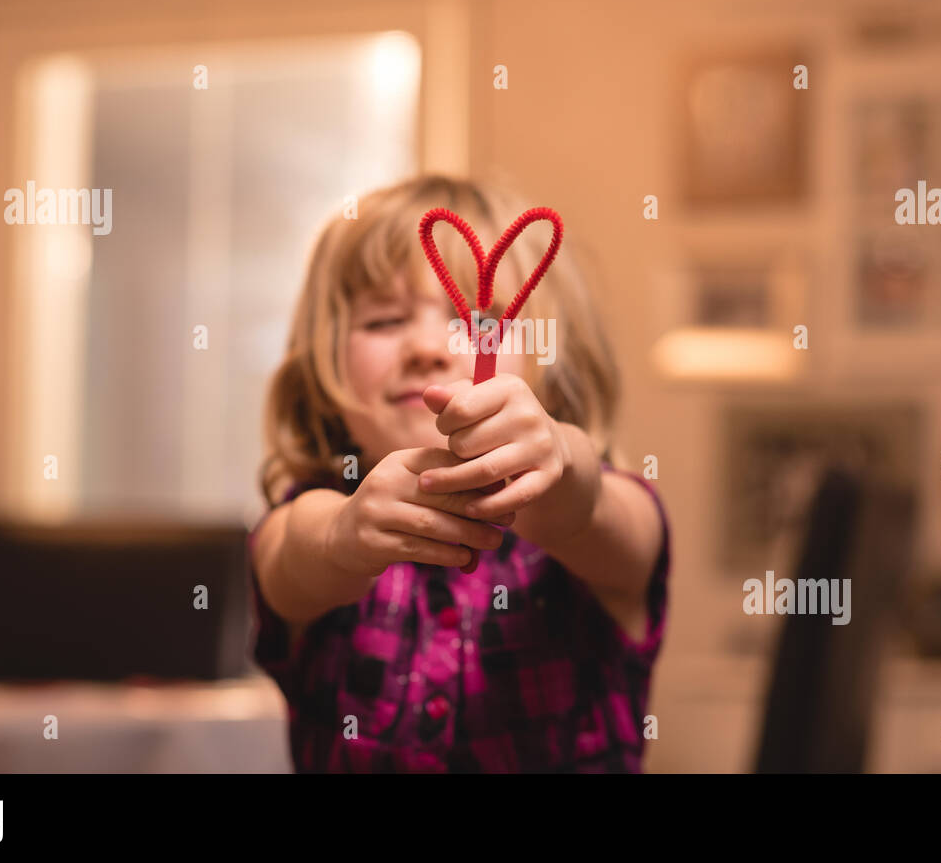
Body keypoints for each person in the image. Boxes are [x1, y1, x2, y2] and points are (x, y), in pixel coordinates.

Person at [248, 173, 670, 772]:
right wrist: (346, 536)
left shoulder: (599, 513)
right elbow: (290, 556)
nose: (425, 347)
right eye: (383, 321)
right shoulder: (314, 519)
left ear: (561, 360)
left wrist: (558, 459)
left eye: (477, 318)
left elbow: (600, 514)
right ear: (322, 366)